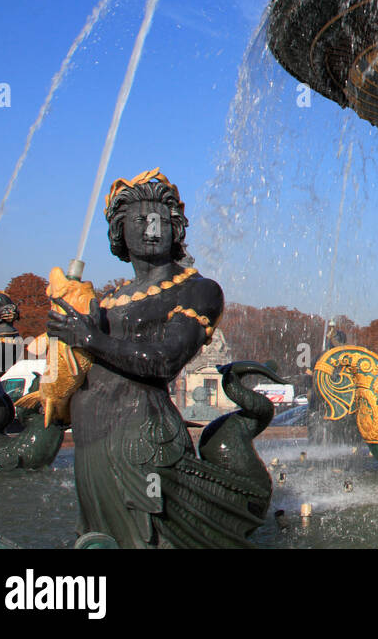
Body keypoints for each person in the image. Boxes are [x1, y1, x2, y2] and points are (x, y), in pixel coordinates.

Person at [47, 169, 272, 547]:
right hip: (91, 444)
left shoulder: (197, 290)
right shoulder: (109, 298)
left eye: (161, 221)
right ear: (119, 231)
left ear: (176, 229)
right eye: (140, 220)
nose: (152, 228)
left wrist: (88, 337)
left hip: (142, 443)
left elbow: (165, 360)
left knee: (146, 539)